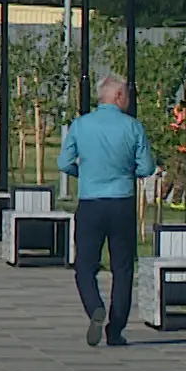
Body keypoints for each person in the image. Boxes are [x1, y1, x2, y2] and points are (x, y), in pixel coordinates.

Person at [58, 75, 156, 347]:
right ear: (118, 97)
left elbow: (64, 162)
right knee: (122, 268)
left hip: (90, 202)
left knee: (85, 265)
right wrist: (126, 173)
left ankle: (94, 307)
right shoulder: (133, 127)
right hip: (122, 202)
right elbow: (147, 167)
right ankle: (116, 329)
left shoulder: (80, 125)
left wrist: (85, 173)